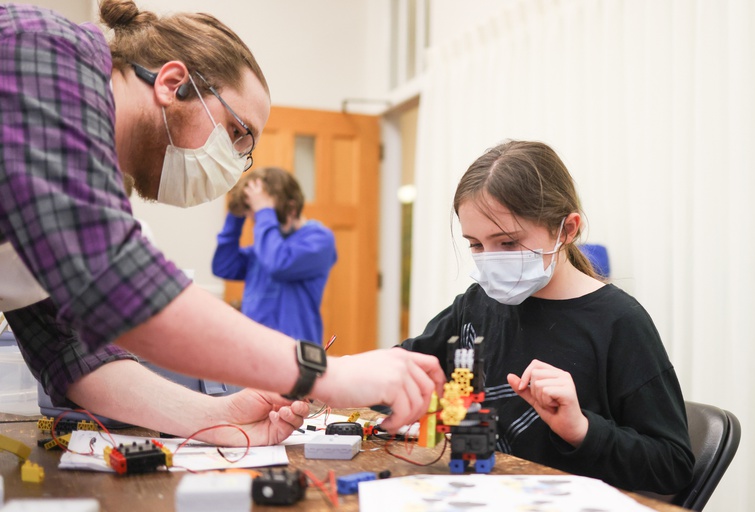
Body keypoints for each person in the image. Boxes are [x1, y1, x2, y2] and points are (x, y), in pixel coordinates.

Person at [0, 0, 444, 445]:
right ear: (173, 84)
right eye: (237, 133)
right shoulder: (42, 50)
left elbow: (72, 355)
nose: (235, 164)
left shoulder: (58, 180)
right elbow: (116, 286)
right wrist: (327, 373)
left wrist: (215, 417)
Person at [400, 140, 694, 493]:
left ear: (567, 229)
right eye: (476, 245)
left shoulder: (619, 322)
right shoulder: (477, 304)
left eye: (507, 243)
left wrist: (581, 429)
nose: (490, 260)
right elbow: (402, 370)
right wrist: (332, 379)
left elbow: (672, 466)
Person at [213, 167, 336, 345]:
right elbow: (224, 266)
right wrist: (236, 216)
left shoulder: (319, 239)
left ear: (291, 209)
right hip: (254, 351)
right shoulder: (265, 247)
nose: (260, 223)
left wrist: (264, 211)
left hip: (294, 355)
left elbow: (278, 264)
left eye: (265, 216)